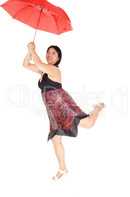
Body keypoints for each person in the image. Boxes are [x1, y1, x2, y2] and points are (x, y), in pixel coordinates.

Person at [23, 41, 105, 180]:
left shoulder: (54, 70)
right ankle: (63, 168)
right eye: (48, 52)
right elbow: (25, 64)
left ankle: (97, 108)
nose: (49, 54)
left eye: (53, 53)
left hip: (62, 103)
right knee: (55, 139)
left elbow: (38, 62)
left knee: (89, 124)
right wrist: (29, 50)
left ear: (58, 58)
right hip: (53, 110)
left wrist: (32, 51)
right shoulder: (43, 70)